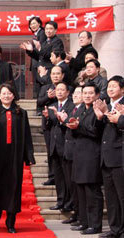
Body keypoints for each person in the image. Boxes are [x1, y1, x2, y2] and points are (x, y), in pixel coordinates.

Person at [0, 83, 35, 233]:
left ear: (14, 95)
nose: (6, 96)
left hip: (15, 155)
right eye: (3, 94)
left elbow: (27, 135)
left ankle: (10, 221)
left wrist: (29, 156)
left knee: (14, 188)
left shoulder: (21, 113)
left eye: (9, 93)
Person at [67, 82, 104, 235]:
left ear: (96, 95)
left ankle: (95, 224)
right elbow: (76, 130)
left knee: (92, 192)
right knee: (80, 190)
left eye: (90, 93)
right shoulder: (81, 109)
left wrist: (78, 127)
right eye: (85, 93)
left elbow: (95, 132)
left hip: (92, 155)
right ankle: (84, 221)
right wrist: (72, 126)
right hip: (79, 154)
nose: (87, 95)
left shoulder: (98, 110)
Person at [93, 76, 124, 238]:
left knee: (122, 195)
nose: (110, 89)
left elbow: (120, 124)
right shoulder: (105, 104)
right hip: (106, 156)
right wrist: (100, 117)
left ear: (122, 89)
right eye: (109, 86)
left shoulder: (123, 105)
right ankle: (115, 229)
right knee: (111, 197)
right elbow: (99, 131)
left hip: (119, 156)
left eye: (114, 86)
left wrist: (117, 119)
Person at [42, 82, 74, 212]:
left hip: (66, 146)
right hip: (54, 146)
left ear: (67, 92)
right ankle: (60, 201)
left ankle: (69, 203)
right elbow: (48, 126)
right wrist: (47, 118)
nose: (59, 92)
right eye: (57, 90)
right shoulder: (52, 106)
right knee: (59, 177)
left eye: (62, 90)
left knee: (68, 177)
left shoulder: (71, 106)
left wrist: (60, 119)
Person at [37, 65, 65, 186]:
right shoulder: (45, 88)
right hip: (48, 123)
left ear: (62, 75)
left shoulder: (67, 88)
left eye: (58, 74)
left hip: (61, 124)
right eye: (53, 74)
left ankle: (61, 175)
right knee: (50, 151)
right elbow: (39, 102)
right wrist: (48, 97)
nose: (55, 76)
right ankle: (52, 175)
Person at [61, 86, 83, 225]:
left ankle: (81, 215)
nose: (75, 95)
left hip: (78, 153)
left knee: (77, 186)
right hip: (68, 152)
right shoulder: (72, 109)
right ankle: (76, 212)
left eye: (78, 93)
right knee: (71, 185)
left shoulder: (83, 110)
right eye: (74, 93)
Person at [22, 16, 46, 112]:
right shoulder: (36, 35)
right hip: (36, 64)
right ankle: (39, 108)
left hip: (40, 65)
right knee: (38, 87)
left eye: (34, 23)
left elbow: (40, 51)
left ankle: (40, 109)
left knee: (40, 87)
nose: (33, 25)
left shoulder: (42, 34)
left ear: (39, 24)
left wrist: (32, 50)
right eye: (31, 24)